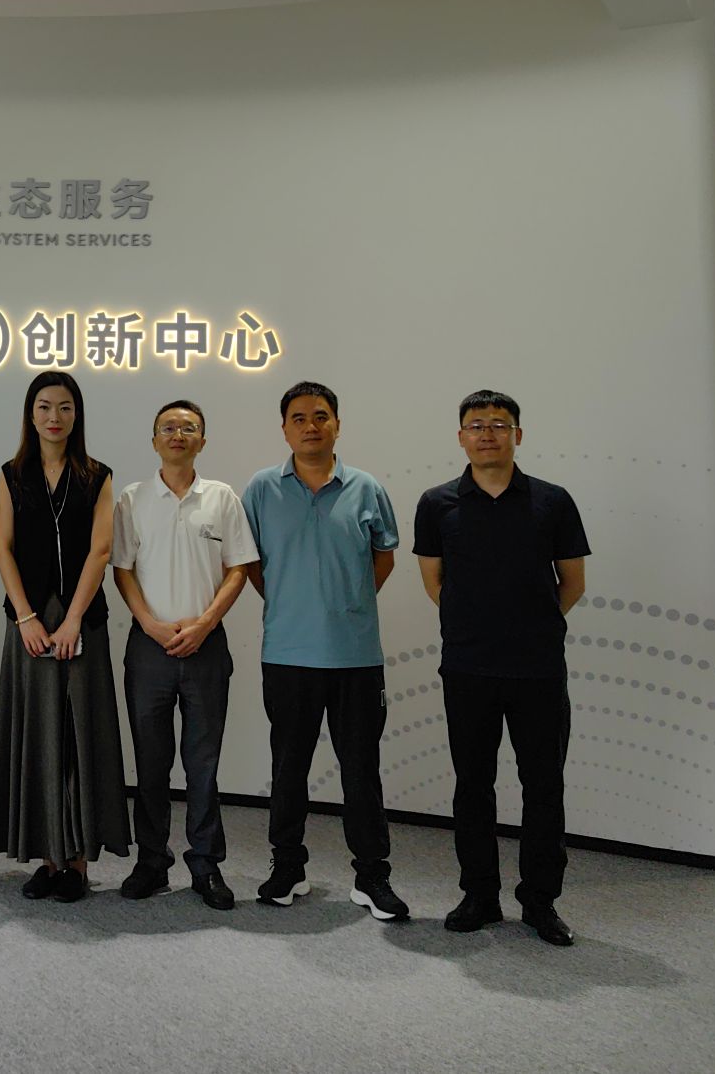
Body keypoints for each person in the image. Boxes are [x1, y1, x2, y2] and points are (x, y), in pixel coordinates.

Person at [413, 390, 589, 946]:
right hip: (468, 669)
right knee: (473, 786)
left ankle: (540, 901)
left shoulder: (552, 501)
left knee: (544, 787)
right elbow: (435, 583)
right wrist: (478, 626)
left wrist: (531, 626)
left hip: (538, 670)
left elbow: (572, 582)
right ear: (460, 436)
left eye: (498, 424)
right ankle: (480, 895)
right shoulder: (437, 503)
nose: (486, 433)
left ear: (518, 434)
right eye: (476, 425)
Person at [241, 381, 407, 920]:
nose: (310, 426)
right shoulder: (261, 489)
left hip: (355, 657)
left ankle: (372, 876)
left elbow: (383, 557)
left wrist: (347, 603)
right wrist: (291, 604)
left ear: (337, 424)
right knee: (288, 769)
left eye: (320, 416)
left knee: (361, 770)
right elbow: (250, 564)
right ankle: (287, 867)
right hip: (287, 654)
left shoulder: (366, 488)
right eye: (298, 418)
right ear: (284, 428)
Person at [0, 371, 131, 901]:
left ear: (77, 415)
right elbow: (2, 547)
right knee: (37, 735)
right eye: (44, 406)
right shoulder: (11, 474)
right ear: (30, 413)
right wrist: (25, 617)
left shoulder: (97, 475)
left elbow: (101, 550)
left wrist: (72, 621)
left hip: (81, 619)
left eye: (65, 407)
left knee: (80, 735)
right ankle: (47, 859)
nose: (54, 417)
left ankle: (79, 863)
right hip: (28, 622)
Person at [112, 399, 255, 910]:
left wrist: (205, 624)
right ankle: (151, 861)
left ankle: (206, 864)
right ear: (154, 440)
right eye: (168, 427)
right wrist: (149, 624)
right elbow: (122, 569)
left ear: (202, 440)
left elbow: (238, 567)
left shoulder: (222, 497)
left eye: (188, 428)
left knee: (203, 763)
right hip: (148, 647)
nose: (178, 434)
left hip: (205, 647)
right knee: (150, 762)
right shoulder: (132, 499)